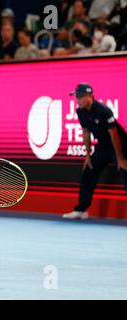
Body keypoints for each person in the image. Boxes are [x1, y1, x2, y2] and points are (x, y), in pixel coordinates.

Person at [63, 83, 127, 219]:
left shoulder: (103, 111)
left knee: (125, 172)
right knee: (88, 172)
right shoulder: (80, 111)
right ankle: (81, 210)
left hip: (121, 145)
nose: (77, 100)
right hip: (103, 147)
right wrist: (87, 156)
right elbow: (86, 132)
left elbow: (114, 135)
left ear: (89, 96)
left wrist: (120, 159)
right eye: (76, 97)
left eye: (80, 97)